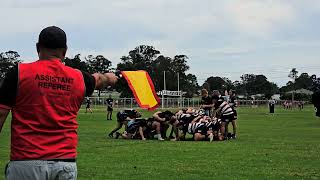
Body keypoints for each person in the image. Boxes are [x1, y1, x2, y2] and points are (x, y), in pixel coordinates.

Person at [0, 26, 118, 180]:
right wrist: (110, 78)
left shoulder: (19, 73)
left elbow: (1, 113)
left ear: (37, 48)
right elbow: (99, 79)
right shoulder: (79, 78)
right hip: (64, 163)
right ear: (65, 51)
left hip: (26, 162)